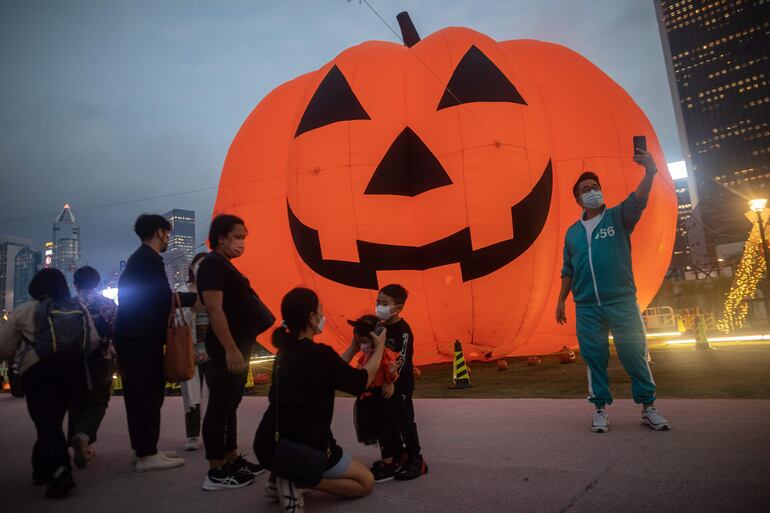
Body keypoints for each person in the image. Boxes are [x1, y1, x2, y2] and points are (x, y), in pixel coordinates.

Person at [556, 148, 671, 433]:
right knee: (594, 358)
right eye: (586, 189)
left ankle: (648, 407)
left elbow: (639, 198)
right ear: (578, 198)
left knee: (634, 353)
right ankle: (599, 410)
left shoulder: (618, 217)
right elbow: (567, 270)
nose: (592, 191)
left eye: (595, 187)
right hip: (586, 306)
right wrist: (561, 300)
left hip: (621, 301)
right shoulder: (572, 233)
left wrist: (651, 172)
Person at [254, 288, 387, 513]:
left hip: (269, 444)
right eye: (321, 311)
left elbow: (331, 370)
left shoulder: (285, 351)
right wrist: (380, 347)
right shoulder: (318, 353)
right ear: (312, 318)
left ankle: (279, 475)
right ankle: (301, 480)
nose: (323, 316)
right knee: (365, 482)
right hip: (306, 447)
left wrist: (354, 347)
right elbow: (360, 382)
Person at [0, 268, 100, 498]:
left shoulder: (24, 310)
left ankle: (59, 471)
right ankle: (41, 468)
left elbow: (4, 347)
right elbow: (92, 339)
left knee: (46, 422)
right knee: (52, 421)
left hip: (38, 372)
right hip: (72, 371)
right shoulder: (76, 307)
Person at [115, 214, 197, 472]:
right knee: (146, 395)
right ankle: (147, 454)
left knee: (143, 394)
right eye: (167, 233)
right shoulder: (148, 260)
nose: (168, 239)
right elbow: (162, 298)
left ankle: (146, 449)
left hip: (134, 337)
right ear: (160, 232)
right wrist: (194, 299)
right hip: (140, 339)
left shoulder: (139, 259)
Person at [197, 215, 265, 491]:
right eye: (237, 237)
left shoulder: (224, 265)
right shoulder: (212, 264)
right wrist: (231, 349)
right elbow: (214, 309)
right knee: (219, 407)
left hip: (239, 346)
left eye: (244, 238)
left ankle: (231, 458)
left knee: (230, 405)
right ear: (221, 237)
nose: (241, 243)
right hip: (228, 348)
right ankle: (215, 470)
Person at [373, 284, 428, 481]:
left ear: (398, 308)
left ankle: (416, 459)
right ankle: (395, 456)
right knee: (386, 421)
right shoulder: (378, 327)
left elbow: (401, 359)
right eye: (378, 302)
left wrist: (391, 382)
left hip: (400, 384)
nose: (380, 307)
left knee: (404, 421)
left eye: (385, 303)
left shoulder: (403, 330)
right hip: (380, 384)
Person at [68, 266, 117, 469]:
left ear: (75, 284)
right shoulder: (107, 304)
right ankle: (85, 436)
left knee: (76, 401)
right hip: (102, 358)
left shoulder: (67, 304)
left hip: (72, 361)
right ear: (97, 283)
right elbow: (116, 331)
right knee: (99, 400)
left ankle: (81, 443)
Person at [348, 315, 399, 464]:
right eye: (359, 342)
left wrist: (391, 376)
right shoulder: (364, 356)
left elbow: (391, 374)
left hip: (380, 398)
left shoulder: (384, 354)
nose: (362, 346)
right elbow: (359, 372)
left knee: (385, 430)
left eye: (364, 342)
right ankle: (390, 458)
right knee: (378, 430)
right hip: (368, 399)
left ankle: (388, 462)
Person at [178, 252, 210, 452]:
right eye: (199, 265)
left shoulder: (217, 291)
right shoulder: (183, 290)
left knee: (217, 394)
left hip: (214, 349)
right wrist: (194, 311)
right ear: (192, 268)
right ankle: (192, 435)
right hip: (190, 350)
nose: (202, 270)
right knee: (191, 395)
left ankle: (218, 432)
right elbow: (177, 323)